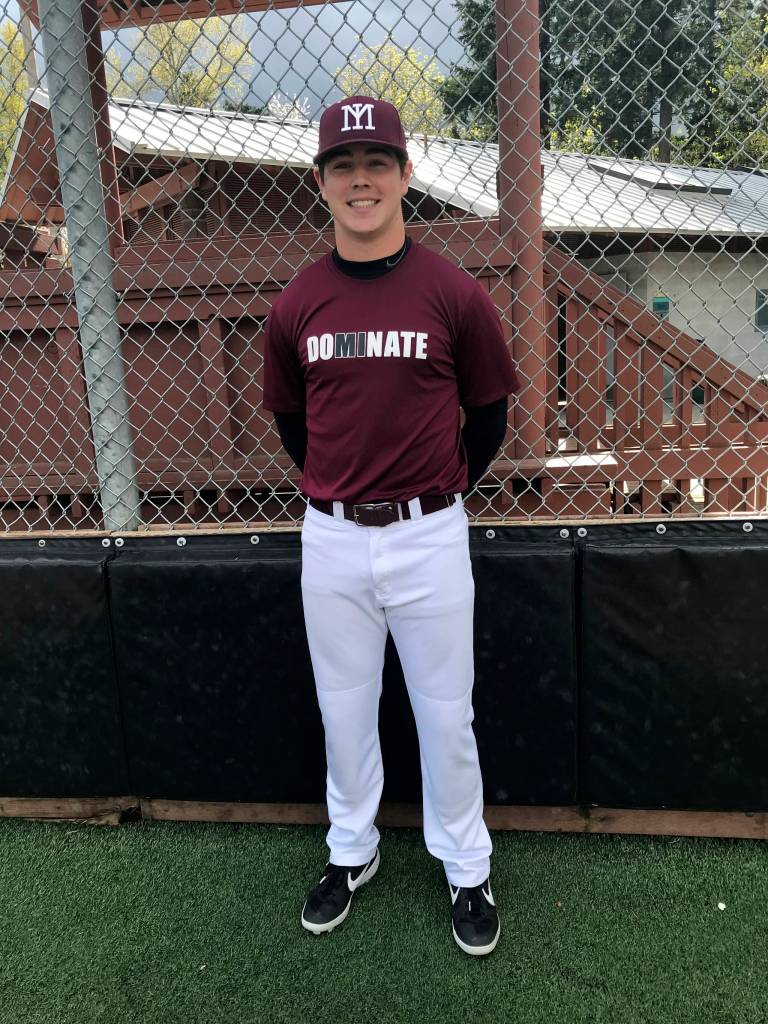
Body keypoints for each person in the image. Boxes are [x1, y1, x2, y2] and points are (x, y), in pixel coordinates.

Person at [262, 95, 520, 956]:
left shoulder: (452, 291)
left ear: (407, 175)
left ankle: (466, 864)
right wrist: (342, 492)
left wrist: (433, 493)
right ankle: (352, 850)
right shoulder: (298, 302)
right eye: (344, 165)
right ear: (322, 184)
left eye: (377, 163)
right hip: (331, 535)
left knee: (446, 715)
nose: (361, 179)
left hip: (428, 532)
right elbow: (294, 424)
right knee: (344, 711)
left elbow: (486, 414)